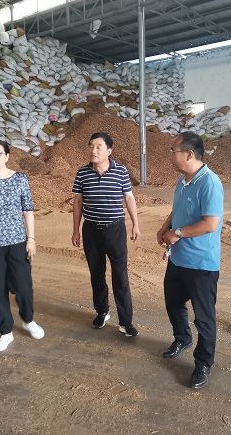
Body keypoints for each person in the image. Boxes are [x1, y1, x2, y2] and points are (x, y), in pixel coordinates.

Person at [157, 131, 224, 390]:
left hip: (201, 264)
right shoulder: (183, 180)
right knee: (173, 303)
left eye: (173, 150)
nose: (170, 155)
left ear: (189, 154)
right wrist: (165, 227)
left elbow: (210, 224)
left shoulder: (210, 183)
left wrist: (177, 233)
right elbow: (178, 209)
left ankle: (203, 362)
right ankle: (182, 338)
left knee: (204, 318)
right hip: (178, 259)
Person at [0, 138, 45, 352]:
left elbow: (28, 210)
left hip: (18, 242)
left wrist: (31, 238)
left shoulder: (20, 179)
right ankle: (5, 331)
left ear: (7, 156)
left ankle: (28, 320)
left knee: (23, 286)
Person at [71, 132, 140, 337]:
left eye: (98, 147)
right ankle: (102, 311)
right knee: (97, 274)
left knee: (120, 275)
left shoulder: (121, 171)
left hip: (115, 229)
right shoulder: (82, 173)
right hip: (91, 230)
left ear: (109, 151)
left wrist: (135, 224)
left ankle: (126, 321)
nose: (93, 150)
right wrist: (75, 229)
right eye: (91, 146)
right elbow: (78, 202)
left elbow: (129, 198)